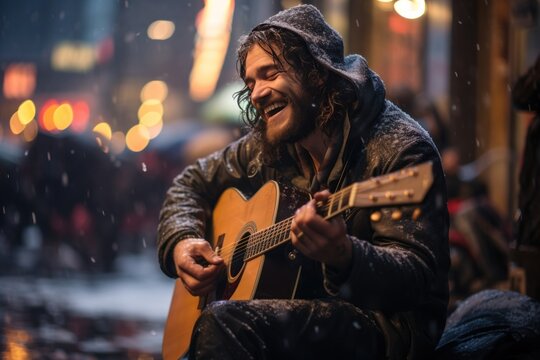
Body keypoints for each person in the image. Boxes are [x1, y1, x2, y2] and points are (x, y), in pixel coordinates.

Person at [157, 4, 449, 359]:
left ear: (317, 72)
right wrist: (182, 241)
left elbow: (416, 276)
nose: (257, 93)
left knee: (225, 325)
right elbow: (191, 182)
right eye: (251, 82)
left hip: (387, 329)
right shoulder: (275, 143)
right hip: (312, 303)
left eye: (271, 74)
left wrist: (345, 256)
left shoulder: (400, 149)